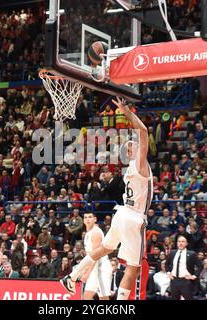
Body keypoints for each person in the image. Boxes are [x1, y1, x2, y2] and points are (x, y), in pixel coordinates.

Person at [61, 97, 153, 301]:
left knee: (104, 249)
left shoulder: (129, 168)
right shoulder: (139, 164)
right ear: (134, 152)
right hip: (134, 217)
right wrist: (126, 112)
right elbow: (144, 131)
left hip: (121, 214)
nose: (136, 146)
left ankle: (72, 276)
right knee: (133, 267)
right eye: (132, 146)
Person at [79, 212, 112, 300]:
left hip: (101, 268)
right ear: (83, 220)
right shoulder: (87, 234)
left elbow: (96, 257)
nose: (88, 219)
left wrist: (87, 273)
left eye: (90, 217)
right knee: (86, 298)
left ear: (95, 219)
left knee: (103, 298)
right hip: (94, 267)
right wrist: (85, 269)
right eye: (85, 217)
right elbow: (90, 257)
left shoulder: (96, 233)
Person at [166, 236, 200, 300]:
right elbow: (167, 264)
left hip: (186, 281)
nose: (181, 243)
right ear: (176, 243)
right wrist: (168, 273)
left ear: (186, 243)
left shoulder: (192, 254)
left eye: (183, 241)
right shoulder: (172, 252)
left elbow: (200, 265)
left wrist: (194, 276)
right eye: (179, 241)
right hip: (174, 280)